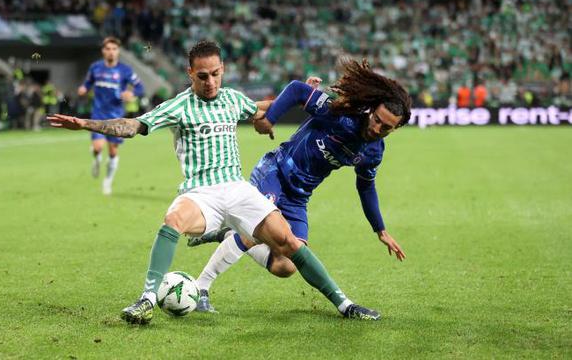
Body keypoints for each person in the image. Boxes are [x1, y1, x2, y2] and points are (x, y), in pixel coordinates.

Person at [48, 40, 381, 325]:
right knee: (172, 220)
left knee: (289, 248)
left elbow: (263, 109)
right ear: (190, 73)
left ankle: (345, 305)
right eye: (203, 76)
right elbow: (133, 125)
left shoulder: (232, 99)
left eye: (216, 74)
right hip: (200, 193)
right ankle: (147, 299)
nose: (210, 82)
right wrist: (86, 124)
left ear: (223, 69)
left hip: (238, 189)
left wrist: (304, 94)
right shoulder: (178, 106)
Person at [189, 57, 410, 314]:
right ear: (371, 111)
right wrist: (270, 119)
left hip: (299, 197)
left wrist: (380, 229)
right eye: (376, 119)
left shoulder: (373, 152)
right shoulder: (341, 114)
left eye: (385, 127)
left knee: (286, 266)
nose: (377, 127)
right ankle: (200, 288)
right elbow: (296, 90)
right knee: (252, 232)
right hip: (275, 172)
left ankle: (228, 234)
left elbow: (366, 187)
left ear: (395, 128)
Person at [78, 36, 145, 195]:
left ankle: (107, 181)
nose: (111, 52)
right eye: (108, 49)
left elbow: (140, 87)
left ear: (118, 51)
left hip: (116, 115)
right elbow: (88, 83)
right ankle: (96, 159)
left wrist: (132, 93)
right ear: (103, 51)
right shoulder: (95, 68)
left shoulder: (125, 70)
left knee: (113, 151)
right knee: (97, 147)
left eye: (114, 49)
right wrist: (84, 88)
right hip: (98, 113)